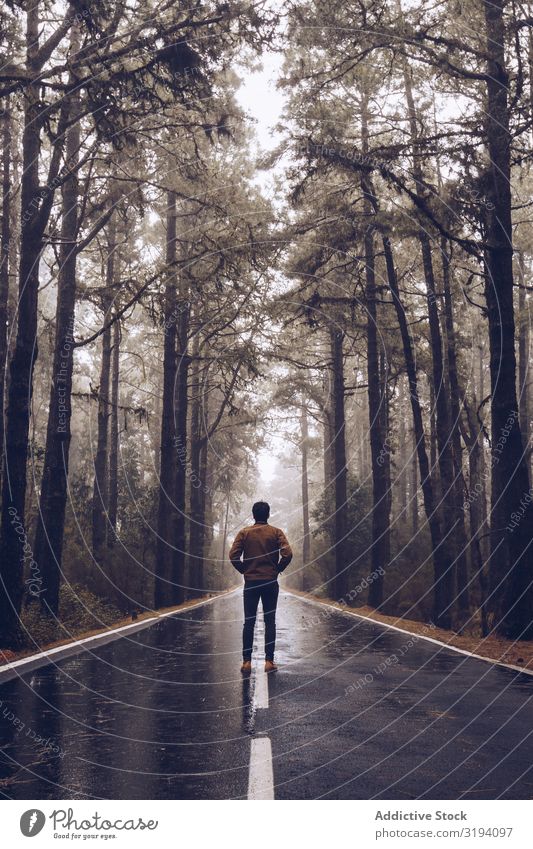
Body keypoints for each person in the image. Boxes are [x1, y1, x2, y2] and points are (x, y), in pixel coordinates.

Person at [229, 501, 293, 673]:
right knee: (269, 621)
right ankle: (269, 662)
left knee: (248, 622)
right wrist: (278, 568)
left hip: (251, 582)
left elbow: (233, 555)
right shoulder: (276, 532)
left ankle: (246, 662)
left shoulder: (244, 533)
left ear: (253, 514)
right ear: (268, 514)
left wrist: (245, 570)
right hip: (270, 582)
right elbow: (288, 553)